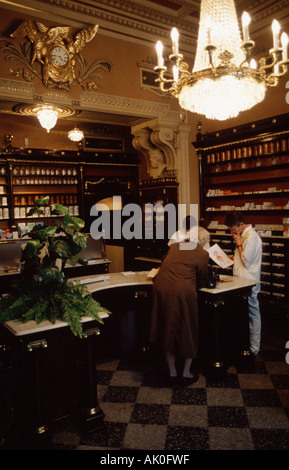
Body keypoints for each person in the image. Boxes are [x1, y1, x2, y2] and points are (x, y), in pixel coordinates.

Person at [149, 227, 210, 386]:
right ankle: (186, 373)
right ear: (204, 241)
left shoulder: (175, 246)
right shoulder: (202, 253)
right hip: (183, 292)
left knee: (167, 328)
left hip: (161, 288)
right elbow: (202, 279)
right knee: (188, 329)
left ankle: (172, 371)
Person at [224, 211, 262, 356]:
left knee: (253, 313)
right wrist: (231, 257)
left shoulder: (251, 237)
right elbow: (242, 257)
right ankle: (243, 344)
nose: (232, 233)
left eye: (233, 230)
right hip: (241, 281)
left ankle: (254, 348)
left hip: (249, 281)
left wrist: (238, 243)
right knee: (242, 313)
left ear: (241, 224)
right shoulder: (244, 235)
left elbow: (246, 260)